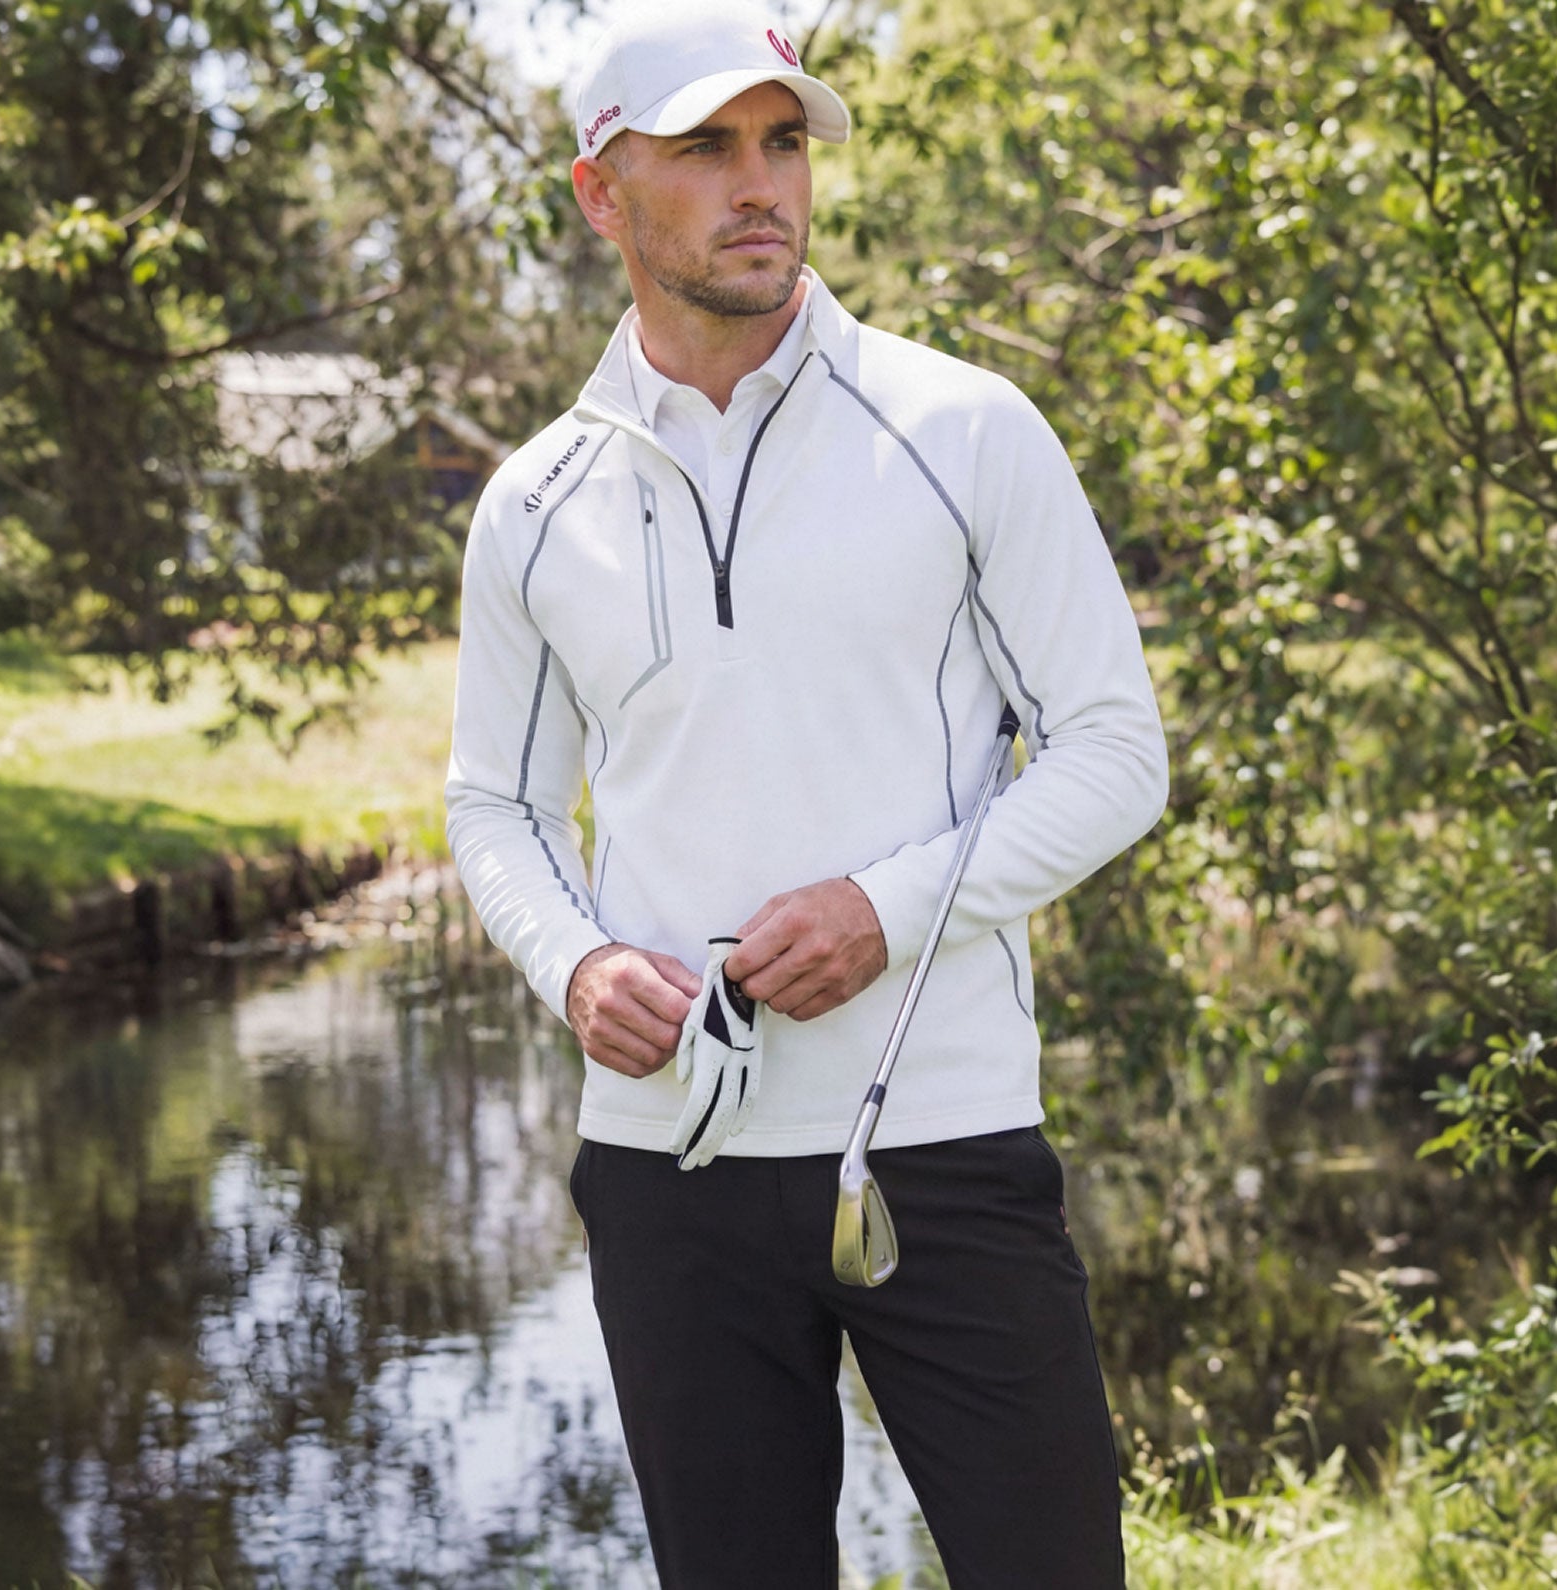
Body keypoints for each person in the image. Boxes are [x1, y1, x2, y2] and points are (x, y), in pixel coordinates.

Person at [445, 3, 1169, 1584]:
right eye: (704, 147)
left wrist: (883, 912)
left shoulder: (962, 429)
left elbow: (1116, 753)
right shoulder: (531, 503)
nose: (758, 182)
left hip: (944, 1139)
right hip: (665, 1163)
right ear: (599, 192)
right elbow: (493, 808)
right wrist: (573, 964)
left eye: (781, 141)